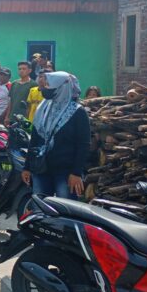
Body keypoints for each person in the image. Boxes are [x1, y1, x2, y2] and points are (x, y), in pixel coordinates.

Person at [22, 72, 90, 200]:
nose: (45, 88)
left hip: (65, 172)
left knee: (65, 211)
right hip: (42, 168)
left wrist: (76, 173)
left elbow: (83, 144)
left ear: (61, 87)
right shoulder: (43, 108)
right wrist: (27, 167)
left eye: (49, 85)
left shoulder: (77, 112)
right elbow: (35, 138)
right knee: (41, 209)